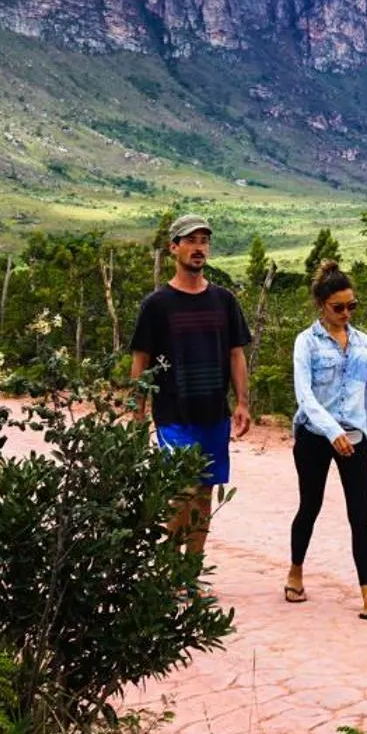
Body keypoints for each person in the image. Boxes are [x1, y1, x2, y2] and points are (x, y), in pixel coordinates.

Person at [128, 213, 252, 557]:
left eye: (204, 241)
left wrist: (242, 403)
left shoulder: (224, 300)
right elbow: (140, 361)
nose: (199, 248)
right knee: (181, 490)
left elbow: (235, 354)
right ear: (174, 248)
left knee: (204, 493)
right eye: (191, 241)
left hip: (214, 412)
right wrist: (137, 411)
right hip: (173, 413)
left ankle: (191, 573)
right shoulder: (156, 305)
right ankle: (169, 570)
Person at [287, 261, 367, 622]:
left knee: (360, 516)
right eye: (338, 307)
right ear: (321, 305)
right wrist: (331, 431)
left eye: (352, 306)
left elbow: (366, 395)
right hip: (316, 435)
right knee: (310, 505)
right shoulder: (307, 342)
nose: (346, 313)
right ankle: (296, 572)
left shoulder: (362, 341)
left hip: (354, 436)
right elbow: (305, 395)